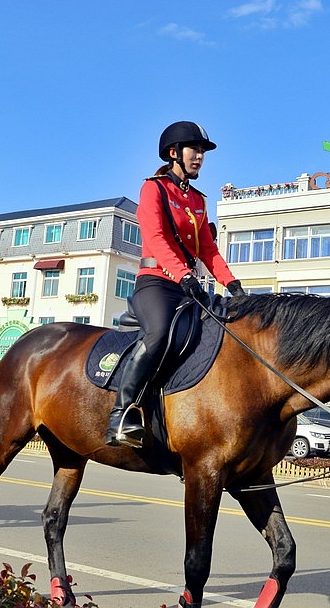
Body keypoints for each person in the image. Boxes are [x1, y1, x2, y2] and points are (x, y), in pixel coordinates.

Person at [106, 121, 244, 448]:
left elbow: (208, 250)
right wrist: (182, 274)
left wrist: (233, 284)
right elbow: (154, 237)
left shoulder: (198, 199)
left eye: (203, 152)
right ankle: (120, 415)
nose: (200, 157)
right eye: (194, 150)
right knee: (157, 335)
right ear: (174, 153)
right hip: (156, 283)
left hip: (188, 287)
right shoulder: (153, 189)